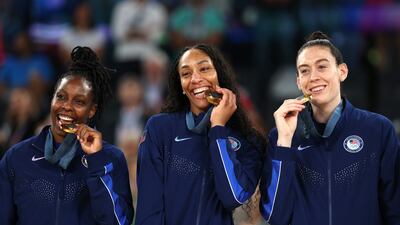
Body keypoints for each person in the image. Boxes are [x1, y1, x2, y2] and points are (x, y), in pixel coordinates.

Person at [259, 31, 400, 225]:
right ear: (299, 82)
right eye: (305, 70)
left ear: (342, 72)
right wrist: (284, 143)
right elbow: (275, 216)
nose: (313, 77)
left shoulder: (378, 129)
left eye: (322, 67)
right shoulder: (281, 137)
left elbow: (395, 208)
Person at [0, 46, 134, 225]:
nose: (66, 106)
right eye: (61, 97)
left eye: (79, 101)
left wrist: (95, 161)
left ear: (92, 110)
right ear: (52, 99)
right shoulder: (17, 157)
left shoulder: (111, 158)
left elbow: (119, 222)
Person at [135, 44, 266, 225]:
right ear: (181, 85)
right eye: (186, 74)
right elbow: (148, 207)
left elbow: (232, 197)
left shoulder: (248, 139)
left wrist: (218, 128)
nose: (196, 79)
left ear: (220, 75)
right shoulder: (160, 128)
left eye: (204, 69)